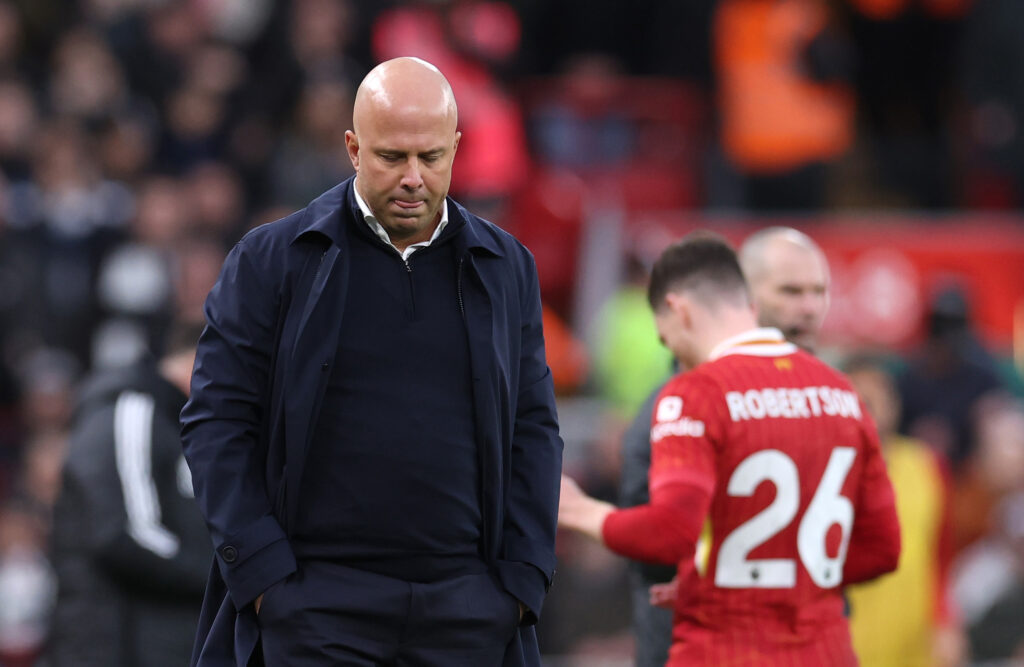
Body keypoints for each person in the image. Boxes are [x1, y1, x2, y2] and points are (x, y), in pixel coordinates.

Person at [180, 57, 562, 667]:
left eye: (431, 157)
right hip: (315, 609)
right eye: (392, 157)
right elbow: (216, 421)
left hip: (468, 614)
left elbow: (535, 428)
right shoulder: (272, 259)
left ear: (457, 150)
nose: (413, 177)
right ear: (353, 149)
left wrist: (521, 579)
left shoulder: (506, 265)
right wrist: (263, 580)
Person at [559, 233, 900, 665]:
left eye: (665, 337)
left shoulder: (692, 394)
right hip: (825, 650)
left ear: (678, 311)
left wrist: (577, 510)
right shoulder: (844, 394)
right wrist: (792, 585)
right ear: (750, 302)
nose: (673, 351)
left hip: (726, 649)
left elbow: (667, 536)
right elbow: (883, 549)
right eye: (793, 291)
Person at [618, 225, 830, 667]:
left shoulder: (827, 402)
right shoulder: (673, 410)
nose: (809, 308)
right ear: (742, 297)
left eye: (819, 291)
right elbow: (656, 546)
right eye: (791, 291)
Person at [48, 324, 210, 667]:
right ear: (200, 361)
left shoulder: (168, 420)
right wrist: (225, 575)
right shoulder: (132, 406)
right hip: (115, 646)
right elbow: (125, 534)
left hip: (149, 642)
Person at [843, 355, 965, 667]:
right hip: (849, 644)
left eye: (878, 395)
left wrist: (945, 620)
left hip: (916, 648)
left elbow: (940, 556)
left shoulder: (928, 466)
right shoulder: (825, 472)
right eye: (858, 396)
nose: (869, 406)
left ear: (895, 402)